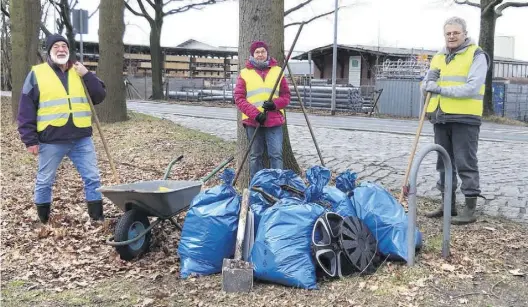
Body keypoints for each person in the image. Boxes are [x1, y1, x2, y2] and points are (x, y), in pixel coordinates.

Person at [17, 34, 107, 223]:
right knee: (45, 181)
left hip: (81, 138)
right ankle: (43, 220)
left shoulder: (79, 71)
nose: (60, 49)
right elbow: (26, 107)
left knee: (92, 178)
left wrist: (87, 75)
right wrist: (29, 139)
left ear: (68, 50)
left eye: (64, 46)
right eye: (56, 46)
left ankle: (98, 219)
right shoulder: (37, 73)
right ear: (49, 51)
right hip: (51, 139)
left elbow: (99, 96)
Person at [422, 17, 489, 225]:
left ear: (464, 34)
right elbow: (426, 84)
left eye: (456, 33)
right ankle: (447, 205)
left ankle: (469, 209)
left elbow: (471, 87)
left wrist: (438, 88)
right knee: (443, 162)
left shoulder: (477, 55)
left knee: (465, 162)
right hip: (440, 117)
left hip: (465, 119)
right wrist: (427, 84)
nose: (451, 36)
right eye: (448, 33)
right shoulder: (439, 56)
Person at [234, 40, 291, 181]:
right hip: (253, 122)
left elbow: (286, 96)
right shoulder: (245, 73)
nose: (260, 54)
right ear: (252, 54)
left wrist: (275, 105)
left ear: (267, 53)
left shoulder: (278, 71)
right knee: (255, 155)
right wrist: (255, 114)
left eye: (263, 51)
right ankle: (257, 186)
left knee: (276, 155)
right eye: (257, 52)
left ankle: (277, 184)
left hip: (274, 120)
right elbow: (239, 98)